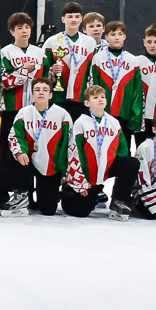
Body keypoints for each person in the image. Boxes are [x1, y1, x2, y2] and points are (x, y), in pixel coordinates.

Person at [0, 12, 46, 211]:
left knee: (30, 151)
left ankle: (27, 192)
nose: (24, 31)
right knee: (8, 153)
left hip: (34, 111)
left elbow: (45, 80)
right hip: (11, 110)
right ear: (12, 31)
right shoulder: (5, 53)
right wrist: (24, 70)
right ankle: (3, 193)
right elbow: (4, 82)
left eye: (27, 27)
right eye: (19, 28)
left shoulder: (40, 53)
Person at [62, 83, 133, 219]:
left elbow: (122, 149)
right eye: (95, 97)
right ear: (87, 103)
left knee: (131, 163)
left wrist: (121, 165)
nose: (100, 99)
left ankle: (119, 201)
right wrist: (79, 182)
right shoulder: (80, 123)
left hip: (106, 168)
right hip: (86, 175)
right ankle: (68, 191)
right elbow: (73, 153)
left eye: (102, 97)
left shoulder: (113, 122)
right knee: (80, 211)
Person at [6, 79, 72, 216]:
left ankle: (59, 193)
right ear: (32, 94)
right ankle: (22, 194)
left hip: (51, 164)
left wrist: (64, 170)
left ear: (50, 95)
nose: (41, 92)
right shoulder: (24, 113)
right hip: (28, 160)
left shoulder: (62, 115)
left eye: (45, 90)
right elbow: (15, 136)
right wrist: (20, 153)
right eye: (37, 90)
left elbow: (68, 143)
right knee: (15, 156)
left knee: (48, 210)